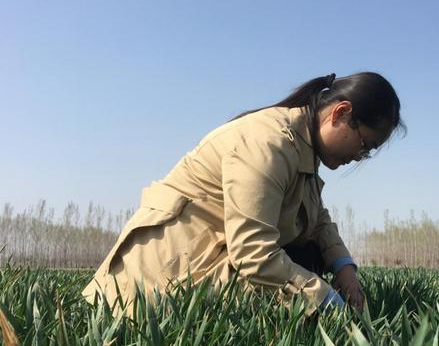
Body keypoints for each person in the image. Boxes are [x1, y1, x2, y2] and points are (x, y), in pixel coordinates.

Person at [82, 72, 404, 316]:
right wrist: (330, 303)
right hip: (153, 284)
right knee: (303, 298)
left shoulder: (302, 148)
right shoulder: (268, 144)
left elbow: (317, 219)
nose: (359, 158)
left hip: (208, 258)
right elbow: (253, 253)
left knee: (308, 260)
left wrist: (346, 272)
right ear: (341, 114)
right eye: (364, 145)